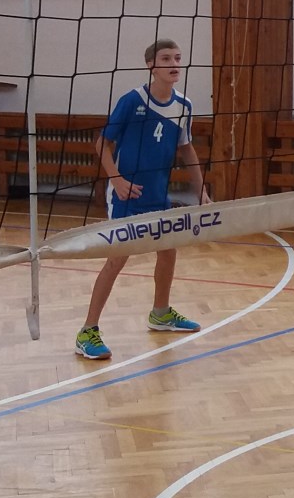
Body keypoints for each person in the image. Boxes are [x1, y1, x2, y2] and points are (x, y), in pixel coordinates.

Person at [74, 38, 211, 359]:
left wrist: (201, 191)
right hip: (127, 196)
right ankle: (87, 331)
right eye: (166, 58)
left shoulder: (184, 105)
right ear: (151, 65)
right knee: (117, 258)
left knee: (168, 250)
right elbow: (102, 144)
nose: (174, 64)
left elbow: (187, 149)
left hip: (158, 194)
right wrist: (117, 180)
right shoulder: (132, 101)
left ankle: (160, 313)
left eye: (177, 58)